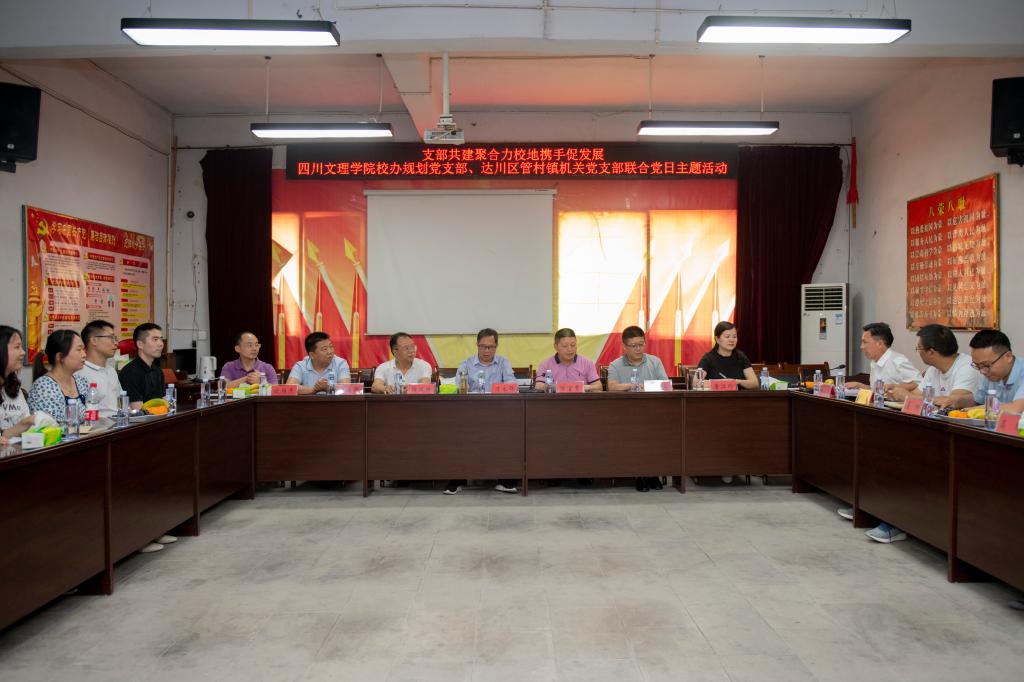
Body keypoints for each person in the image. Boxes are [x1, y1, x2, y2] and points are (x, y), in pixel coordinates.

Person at [445, 328, 518, 495]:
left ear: (496, 346)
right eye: (483, 346)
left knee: (509, 433)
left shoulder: (503, 363)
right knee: (456, 433)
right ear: (477, 345)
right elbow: (458, 387)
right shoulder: (466, 364)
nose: (487, 351)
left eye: (491, 347)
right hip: (470, 412)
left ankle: (505, 479)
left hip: (498, 412)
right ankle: (456, 479)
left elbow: (511, 385)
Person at [606, 325, 670, 492]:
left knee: (657, 431)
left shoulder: (655, 361)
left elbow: (665, 385)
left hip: (653, 412)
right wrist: (633, 386)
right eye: (633, 345)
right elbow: (612, 387)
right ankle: (639, 474)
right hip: (625, 414)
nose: (638, 349)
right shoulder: (615, 365)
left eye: (641, 344)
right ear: (624, 346)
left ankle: (653, 472)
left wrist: (645, 386)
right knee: (635, 432)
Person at [885, 324, 979, 409]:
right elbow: (917, 394)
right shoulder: (933, 369)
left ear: (931, 352)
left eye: (919, 348)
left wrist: (908, 397)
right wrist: (896, 393)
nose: (918, 352)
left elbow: (951, 402)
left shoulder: (967, 367)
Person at [28, 329, 89, 423]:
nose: (84, 354)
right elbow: (49, 426)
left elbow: (91, 416)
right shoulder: (44, 387)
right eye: (79, 350)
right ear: (60, 357)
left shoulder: (81, 381)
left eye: (83, 349)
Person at [844, 322, 921, 393]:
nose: (861, 347)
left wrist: (894, 387)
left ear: (880, 344)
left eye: (865, 342)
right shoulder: (874, 362)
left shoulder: (898, 361)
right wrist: (859, 386)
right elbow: (877, 391)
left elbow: (920, 384)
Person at [969, 329, 1024, 416]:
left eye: (986, 365)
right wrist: (955, 400)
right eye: (977, 366)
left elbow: (1016, 410)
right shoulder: (989, 373)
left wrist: (980, 408)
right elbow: (977, 401)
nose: (982, 371)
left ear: (1008, 356)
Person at [76, 320, 123, 418]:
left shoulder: (111, 370)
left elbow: (120, 401)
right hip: (97, 425)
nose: (116, 343)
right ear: (94, 341)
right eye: (111, 338)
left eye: (115, 338)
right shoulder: (79, 373)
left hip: (118, 422)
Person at [534, 328, 602, 392]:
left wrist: (585, 387)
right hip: (556, 400)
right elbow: (538, 386)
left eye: (573, 345)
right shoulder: (546, 364)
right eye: (565, 346)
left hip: (580, 400)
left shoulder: (587, 363)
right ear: (556, 347)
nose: (570, 349)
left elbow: (598, 387)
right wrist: (557, 387)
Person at [118, 323, 167, 410]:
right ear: (140, 344)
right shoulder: (130, 373)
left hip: (158, 416)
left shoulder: (158, 371)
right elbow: (137, 411)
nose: (161, 344)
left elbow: (163, 403)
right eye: (155, 339)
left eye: (161, 339)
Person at [697, 321, 758, 390]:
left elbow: (755, 383)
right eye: (727, 336)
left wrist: (737, 382)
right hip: (715, 396)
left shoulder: (741, 357)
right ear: (717, 339)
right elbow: (697, 382)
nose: (732, 340)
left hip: (738, 396)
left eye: (734, 336)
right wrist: (725, 383)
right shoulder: (708, 358)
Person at [0, 326, 34, 446]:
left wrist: (29, 422)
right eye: (17, 347)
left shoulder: (14, 387)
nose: (23, 352)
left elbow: (7, 434)